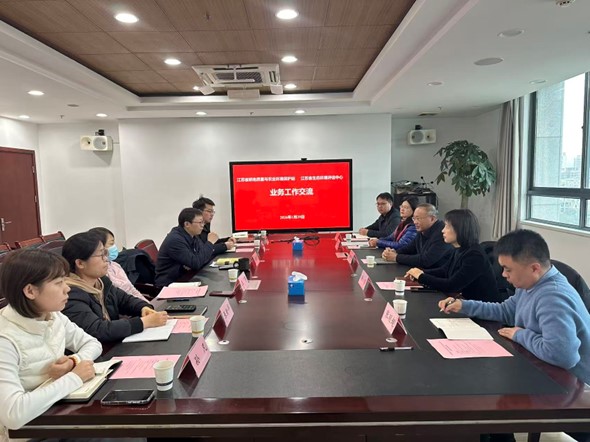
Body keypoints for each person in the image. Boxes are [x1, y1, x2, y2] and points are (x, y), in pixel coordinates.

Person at [439, 229, 590, 442]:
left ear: (534, 268)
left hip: (569, 386)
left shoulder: (553, 297)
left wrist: (521, 334)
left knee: (489, 399)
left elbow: (563, 355)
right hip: (540, 367)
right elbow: (505, 311)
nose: (503, 275)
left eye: (508, 269)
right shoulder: (529, 284)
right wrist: (464, 306)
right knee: (486, 394)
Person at [0, 249, 102, 437]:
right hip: (28, 433)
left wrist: (73, 362)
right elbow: (13, 414)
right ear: (30, 291)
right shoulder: (5, 339)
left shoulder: (52, 315)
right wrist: (74, 378)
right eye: (58, 282)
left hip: (58, 416)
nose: (67, 288)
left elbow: (93, 343)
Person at [62, 232, 168, 343]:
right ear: (80, 263)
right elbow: (98, 330)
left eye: (105, 253)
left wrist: (143, 308)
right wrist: (143, 323)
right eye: (101, 255)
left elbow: (125, 300)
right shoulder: (69, 294)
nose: (106, 259)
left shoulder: (102, 282)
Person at [405, 209, 501, 301]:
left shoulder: (475, 255)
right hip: (463, 302)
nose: (442, 231)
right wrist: (420, 272)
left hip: (480, 308)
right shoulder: (459, 249)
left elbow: (451, 285)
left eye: (447, 226)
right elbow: (444, 271)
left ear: (460, 229)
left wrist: (421, 276)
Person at [155, 208, 217, 287]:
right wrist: (210, 243)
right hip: (170, 284)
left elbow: (201, 254)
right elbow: (196, 263)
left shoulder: (192, 235)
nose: (203, 225)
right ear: (187, 224)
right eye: (200, 222)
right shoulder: (175, 240)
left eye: (203, 222)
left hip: (186, 276)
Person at [382, 203, 453, 269]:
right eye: (414, 218)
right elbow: (410, 248)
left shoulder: (442, 233)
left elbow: (426, 260)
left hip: (437, 274)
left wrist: (396, 257)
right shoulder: (422, 229)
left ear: (432, 218)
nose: (415, 222)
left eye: (418, 218)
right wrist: (394, 252)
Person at [88, 227, 149, 302]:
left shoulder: (115, 265)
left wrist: (147, 304)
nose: (114, 247)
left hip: (134, 303)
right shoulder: (99, 273)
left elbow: (131, 289)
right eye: (111, 244)